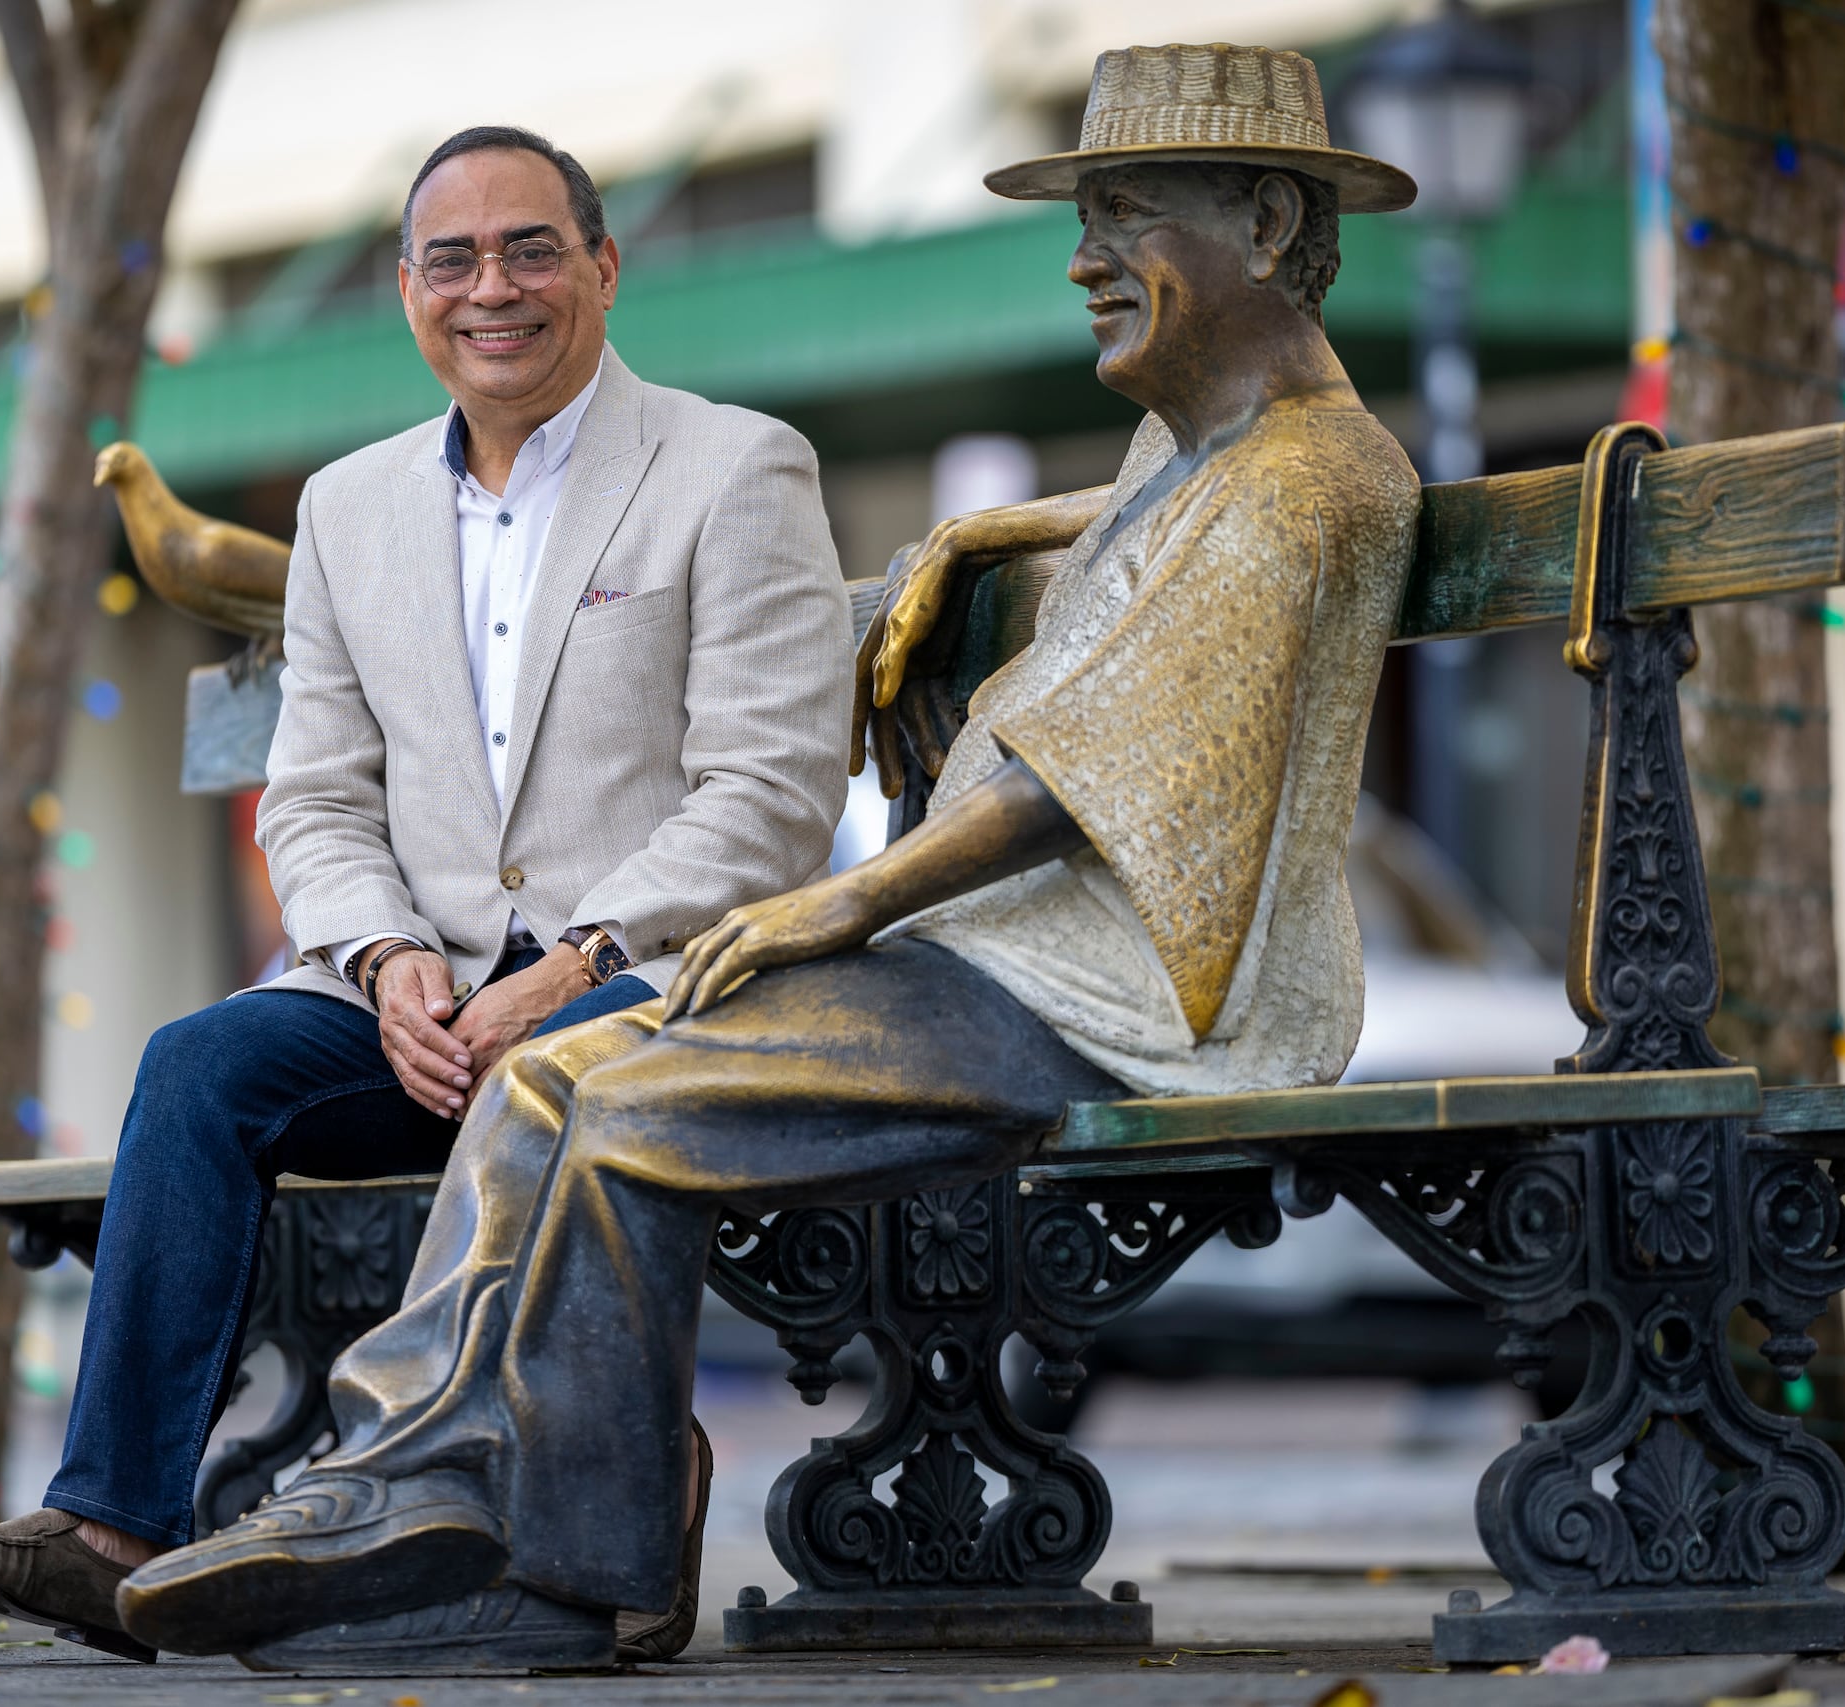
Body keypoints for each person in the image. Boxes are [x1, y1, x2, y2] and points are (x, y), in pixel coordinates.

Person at [106, 43, 1428, 1671]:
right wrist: (982, 533)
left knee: (607, 1079)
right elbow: (1145, 564)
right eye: (1084, 214)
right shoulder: (1199, 458)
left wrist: (843, 896)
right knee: (534, 1086)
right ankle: (488, 1528)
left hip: (1126, 996)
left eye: (1126, 215)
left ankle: (434, 1498)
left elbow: (1106, 768)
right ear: (402, 288)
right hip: (997, 960)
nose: (1086, 259)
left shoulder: (1315, 478)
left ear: (1270, 222)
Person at [0, 124, 853, 1664]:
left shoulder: (734, 467)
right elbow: (318, 794)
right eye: (452, 259)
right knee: (203, 1067)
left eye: (532, 248)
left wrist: (585, 948)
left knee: (558, 1065)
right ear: (407, 292)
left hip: (659, 984)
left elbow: (775, 792)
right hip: (425, 1000)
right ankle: (114, 1530)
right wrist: (390, 956)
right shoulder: (348, 508)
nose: (493, 289)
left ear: (602, 266)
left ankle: (588, 1509)